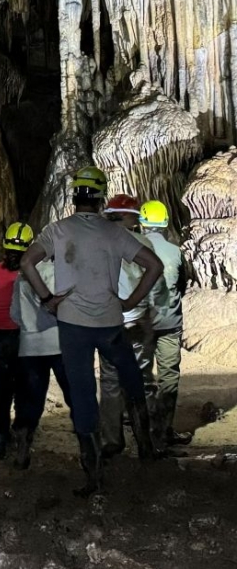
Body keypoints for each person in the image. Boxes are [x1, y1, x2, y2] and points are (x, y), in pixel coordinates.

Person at [20, 166, 164, 494]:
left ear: (74, 196)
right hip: (111, 323)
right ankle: (146, 450)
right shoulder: (114, 233)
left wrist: (47, 298)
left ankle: (94, 476)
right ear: (100, 199)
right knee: (131, 381)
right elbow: (154, 266)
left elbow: (28, 262)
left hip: (73, 325)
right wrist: (130, 301)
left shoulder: (57, 230)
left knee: (84, 393)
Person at [98, 194, 157, 458]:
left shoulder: (97, 243)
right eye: (134, 215)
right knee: (141, 380)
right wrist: (132, 301)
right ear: (123, 215)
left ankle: (112, 440)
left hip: (107, 321)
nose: (137, 219)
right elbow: (154, 275)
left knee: (110, 382)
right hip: (134, 319)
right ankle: (145, 441)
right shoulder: (141, 242)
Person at [9, 257, 72, 469]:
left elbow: (15, 314)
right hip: (59, 344)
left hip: (30, 346)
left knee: (30, 401)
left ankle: (22, 450)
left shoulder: (22, 277)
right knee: (75, 396)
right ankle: (90, 449)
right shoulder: (63, 275)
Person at [139, 199, 191, 450]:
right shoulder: (175, 252)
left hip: (143, 324)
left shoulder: (134, 252)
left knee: (144, 377)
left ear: (143, 223)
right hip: (170, 324)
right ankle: (164, 430)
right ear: (163, 224)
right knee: (169, 377)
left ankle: (145, 431)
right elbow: (182, 285)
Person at [0, 222, 33, 458]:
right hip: (21, 338)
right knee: (22, 390)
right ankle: (22, 436)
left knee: (0, 391)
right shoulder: (31, 274)